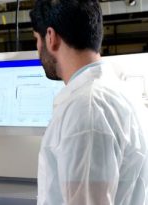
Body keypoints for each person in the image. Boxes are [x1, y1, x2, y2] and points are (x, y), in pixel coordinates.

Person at [29, 0, 148, 204]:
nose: (38, 48)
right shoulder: (119, 91)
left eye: (36, 40)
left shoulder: (87, 107)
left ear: (51, 37)